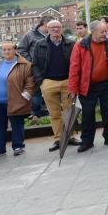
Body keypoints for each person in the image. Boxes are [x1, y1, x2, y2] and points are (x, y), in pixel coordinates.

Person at [68, 20, 108, 152]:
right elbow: (74, 68)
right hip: (88, 86)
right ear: (93, 31)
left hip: (107, 84)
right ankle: (87, 141)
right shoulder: (81, 45)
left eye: (106, 31)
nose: (105, 34)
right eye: (102, 32)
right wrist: (73, 89)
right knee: (87, 114)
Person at [0, 42, 36, 159]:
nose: (7, 52)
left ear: (15, 50)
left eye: (9, 49)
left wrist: (24, 97)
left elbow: (30, 83)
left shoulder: (25, 64)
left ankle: (18, 147)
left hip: (16, 101)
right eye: (4, 50)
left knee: (17, 125)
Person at [31, 20, 79, 152]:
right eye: (52, 27)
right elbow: (34, 64)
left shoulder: (70, 44)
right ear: (47, 29)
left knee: (69, 112)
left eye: (58, 27)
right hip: (48, 82)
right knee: (54, 113)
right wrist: (41, 81)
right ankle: (58, 138)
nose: (56, 30)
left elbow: (76, 62)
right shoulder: (39, 44)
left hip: (67, 81)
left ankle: (71, 137)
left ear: (62, 28)